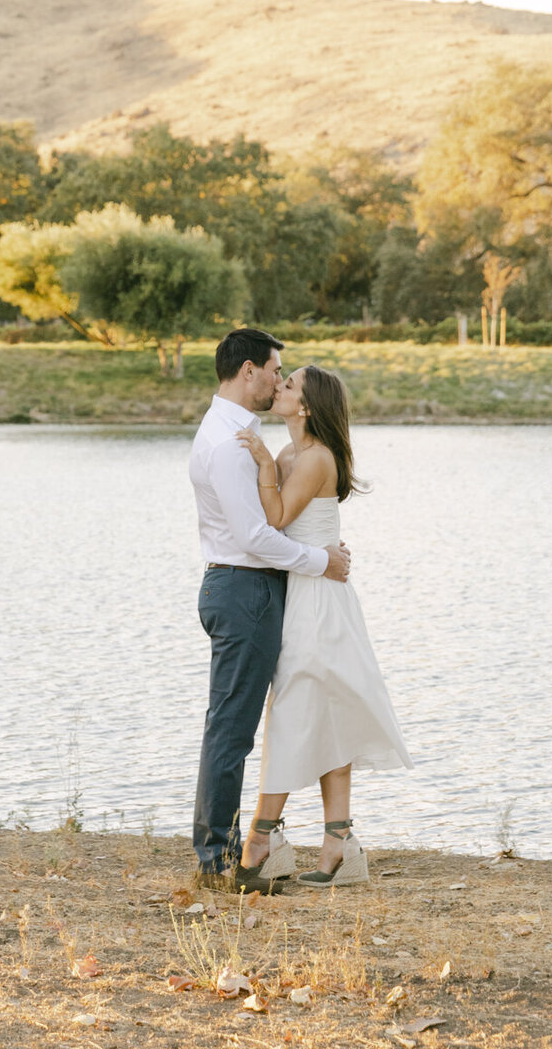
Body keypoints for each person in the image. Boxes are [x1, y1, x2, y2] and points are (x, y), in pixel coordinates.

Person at [236, 363, 412, 887]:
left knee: (294, 708)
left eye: (289, 386)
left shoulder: (312, 459)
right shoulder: (294, 454)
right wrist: (271, 459)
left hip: (320, 601)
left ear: (307, 407)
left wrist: (264, 460)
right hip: (306, 592)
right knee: (320, 713)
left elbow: (275, 519)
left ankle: (265, 837)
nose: (279, 388)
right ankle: (338, 841)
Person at [189, 329, 351, 890]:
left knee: (240, 723)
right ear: (249, 370)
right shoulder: (230, 441)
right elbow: (258, 535)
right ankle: (218, 858)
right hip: (245, 587)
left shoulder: (243, 434)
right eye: (275, 371)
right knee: (232, 729)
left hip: (253, 588)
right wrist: (321, 560)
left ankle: (253, 843)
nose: (278, 381)